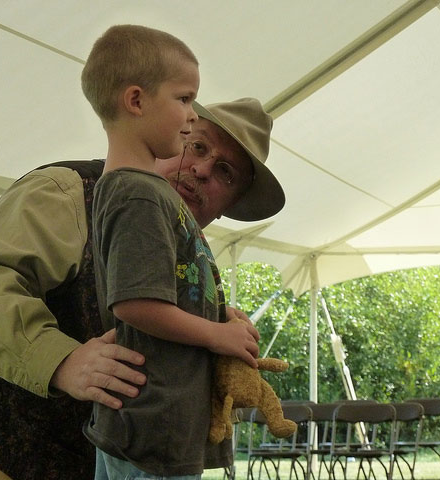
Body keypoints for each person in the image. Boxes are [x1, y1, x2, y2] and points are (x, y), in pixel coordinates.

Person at [0, 79, 284, 480]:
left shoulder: (193, 252)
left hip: (80, 459)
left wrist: (215, 333)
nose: (203, 169)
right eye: (199, 147)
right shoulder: (69, 191)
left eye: (225, 172)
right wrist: (63, 361)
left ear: (230, 203)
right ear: (171, 137)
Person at [79, 25, 268, 479]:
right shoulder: (138, 195)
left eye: (223, 172)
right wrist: (215, 335)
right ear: (137, 101)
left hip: (162, 434)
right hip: (150, 434)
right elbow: (136, 303)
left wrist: (220, 315)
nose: (189, 117)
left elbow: (166, 290)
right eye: (184, 101)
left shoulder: (155, 201)